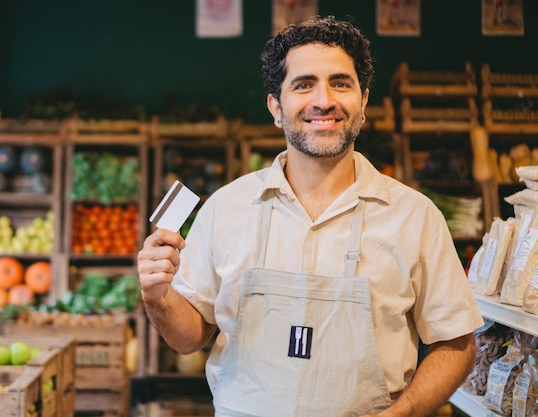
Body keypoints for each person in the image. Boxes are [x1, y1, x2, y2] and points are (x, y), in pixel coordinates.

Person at [138, 15, 484, 417]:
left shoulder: (415, 216)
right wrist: (158, 298)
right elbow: (188, 338)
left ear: (363, 100)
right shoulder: (226, 208)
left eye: (340, 83)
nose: (324, 100)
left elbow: (456, 344)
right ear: (276, 106)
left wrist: (402, 413)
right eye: (304, 85)